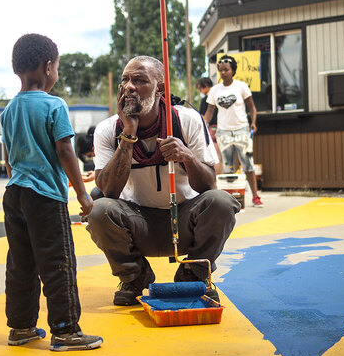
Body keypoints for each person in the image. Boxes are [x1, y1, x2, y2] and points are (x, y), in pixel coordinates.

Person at [86, 56, 240, 306]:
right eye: (125, 80)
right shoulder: (108, 129)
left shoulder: (187, 120)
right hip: (138, 223)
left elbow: (209, 185)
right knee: (98, 207)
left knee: (221, 202)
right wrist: (128, 135)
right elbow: (108, 190)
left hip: (183, 221)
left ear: (160, 89)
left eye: (139, 80)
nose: (129, 87)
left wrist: (187, 157)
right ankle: (135, 277)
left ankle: (194, 274)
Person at [0, 33, 102, 351]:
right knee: (58, 261)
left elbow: (8, 160)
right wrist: (83, 194)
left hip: (14, 193)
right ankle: (65, 330)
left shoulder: (8, 111)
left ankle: (20, 327)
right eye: (56, 67)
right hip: (45, 197)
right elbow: (65, 150)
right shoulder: (53, 104)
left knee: (21, 262)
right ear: (48, 67)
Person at [203, 55, 263, 207]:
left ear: (233, 70)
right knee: (228, 168)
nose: (223, 73)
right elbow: (210, 111)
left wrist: (253, 123)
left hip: (242, 130)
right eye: (221, 70)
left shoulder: (241, 86)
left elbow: (252, 107)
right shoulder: (215, 90)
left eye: (226, 70)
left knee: (248, 165)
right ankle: (230, 200)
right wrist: (203, 123)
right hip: (223, 132)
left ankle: (255, 197)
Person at [196, 77, 222, 173]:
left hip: (212, 128)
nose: (200, 91)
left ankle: (217, 178)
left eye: (200, 88)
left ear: (206, 86)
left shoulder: (206, 100)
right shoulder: (219, 96)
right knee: (222, 156)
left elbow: (203, 116)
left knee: (215, 155)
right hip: (223, 127)